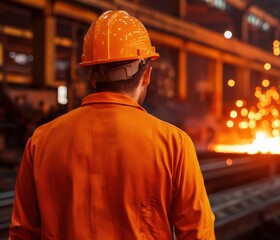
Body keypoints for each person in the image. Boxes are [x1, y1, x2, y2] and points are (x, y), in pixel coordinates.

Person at [9, 10, 215, 240]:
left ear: (92, 77)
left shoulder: (40, 142)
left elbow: (22, 234)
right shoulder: (174, 144)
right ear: (146, 75)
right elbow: (198, 234)